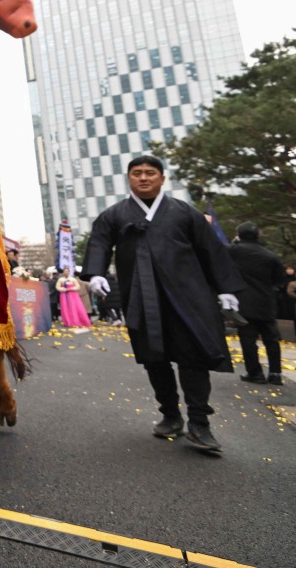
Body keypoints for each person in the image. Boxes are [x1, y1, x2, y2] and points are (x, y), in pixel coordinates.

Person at [81, 155, 245, 452]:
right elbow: (100, 243)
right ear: (129, 178)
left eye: (150, 173)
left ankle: (199, 423)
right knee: (154, 357)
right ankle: (170, 415)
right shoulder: (113, 215)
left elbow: (211, 250)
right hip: (142, 298)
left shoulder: (185, 213)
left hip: (189, 296)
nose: (143, 178)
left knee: (193, 356)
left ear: (162, 178)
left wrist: (226, 289)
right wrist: (95, 274)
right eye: (137, 173)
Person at [228, 222, 285, 385]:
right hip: (266, 302)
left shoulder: (234, 251)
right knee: (271, 339)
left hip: (244, 302)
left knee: (248, 339)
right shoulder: (270, 255)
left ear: (239, 234)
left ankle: (255, 372)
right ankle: (275, 373)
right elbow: (279, 280)